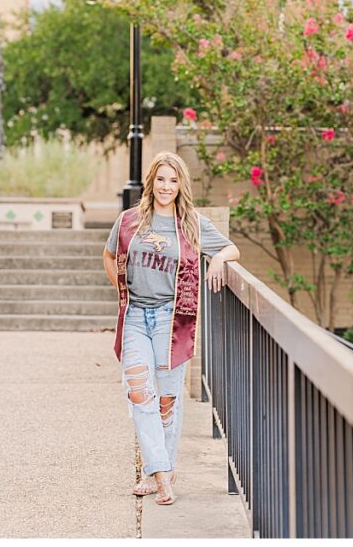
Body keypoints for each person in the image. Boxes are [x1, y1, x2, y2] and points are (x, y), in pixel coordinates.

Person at [102, 151, 239, 506]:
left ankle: (158, 469)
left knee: (166, 399)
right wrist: (122, 289)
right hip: (134, 317)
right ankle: (162, 476)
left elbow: (230, 248)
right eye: (161, 179)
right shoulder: (130, 220)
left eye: (173, 180)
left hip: (171, 318)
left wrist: (219, 260)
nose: (166, 186)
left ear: (181, 185)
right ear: (151, 182)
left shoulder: (191, 223)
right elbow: (108, 256)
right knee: (137, 392)